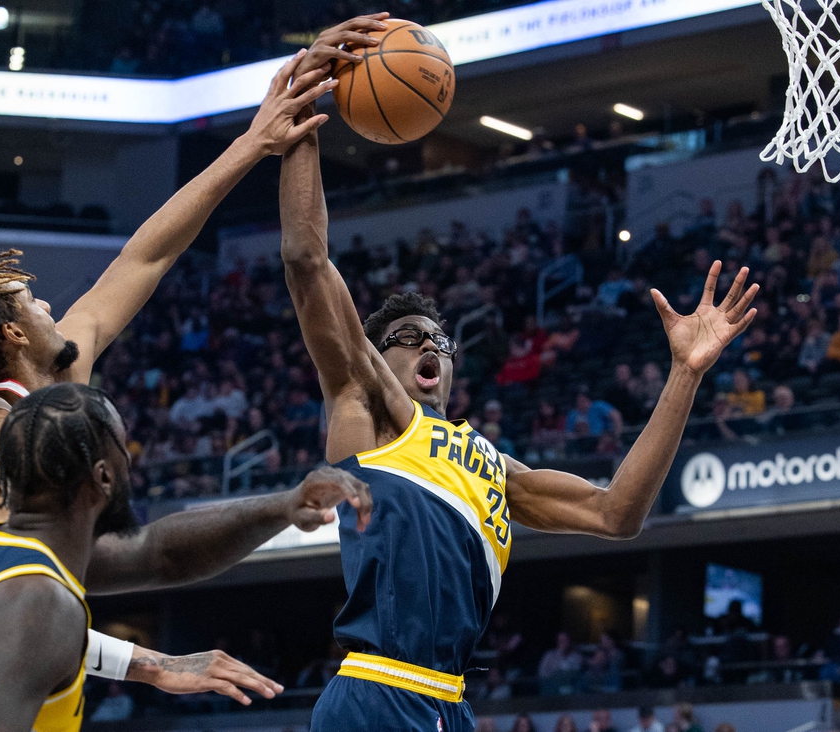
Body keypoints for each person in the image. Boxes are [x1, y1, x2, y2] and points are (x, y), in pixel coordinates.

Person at [278, 13, 759, 731]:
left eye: (439, 338)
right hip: (374, 691)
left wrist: (686, 374)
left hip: (454, 705)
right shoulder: (367, 412)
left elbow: (617, 514)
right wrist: (306, 107)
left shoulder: (492, 466)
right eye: (409, 339)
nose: (430, 346)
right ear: (377, 359)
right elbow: (307, 261)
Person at [0, 49, 342, 732]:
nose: (48, 301)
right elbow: (1, 594)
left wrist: (256, 141)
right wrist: (151, 663)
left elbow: (148, 255)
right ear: (11, 336)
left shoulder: (55, 381)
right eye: (29, 299)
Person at [0, 383, 367, 730]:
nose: (132, 457)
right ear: (104, 476)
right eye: (122, 445)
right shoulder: (34, 603)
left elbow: (160, 554)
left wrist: (284, 504)